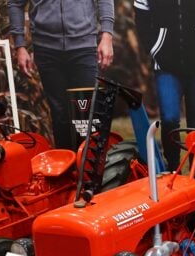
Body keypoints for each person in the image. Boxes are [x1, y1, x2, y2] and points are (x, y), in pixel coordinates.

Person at [133, 0, 195, 173]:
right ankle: (173, 171)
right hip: (166, 67)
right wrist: (154, 48)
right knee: (170, 119)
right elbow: (141, 18)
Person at [9, 0, 116, 149]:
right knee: (59, 114)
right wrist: (20, 45)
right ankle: (67, 165)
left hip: (84, 46)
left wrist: (107, 36)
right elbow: (15, 3)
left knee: (87, 114)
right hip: (46, 49)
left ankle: (91, 167)